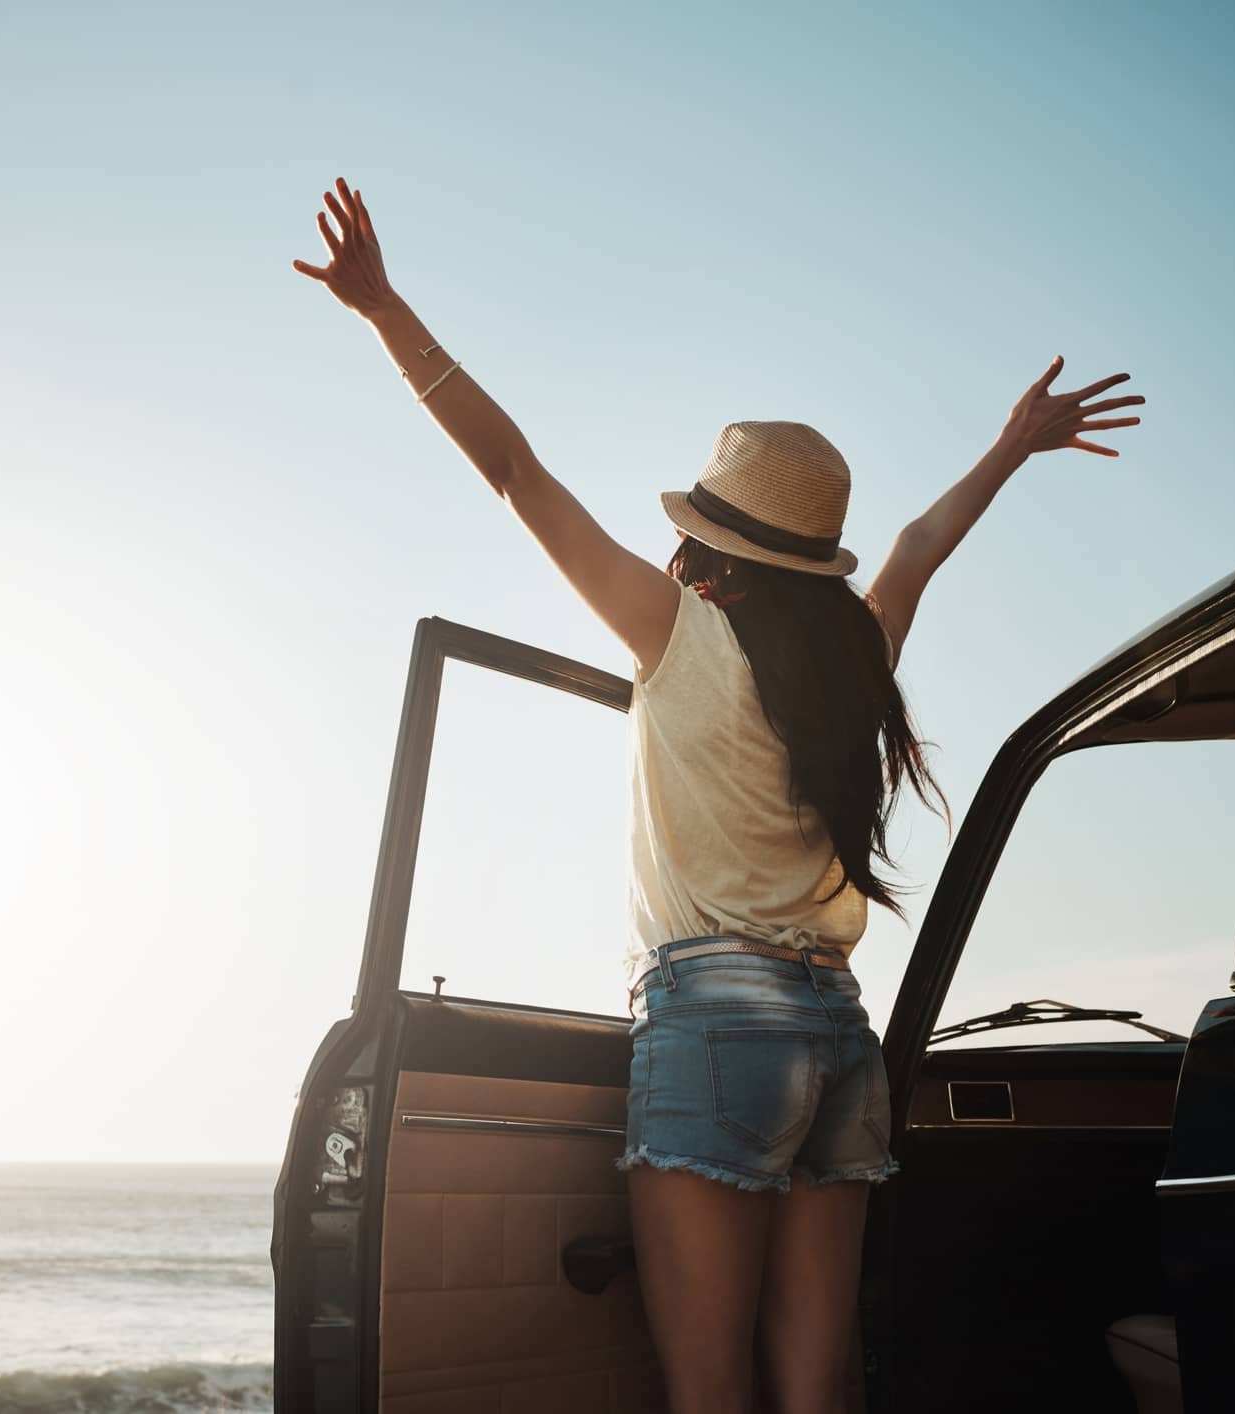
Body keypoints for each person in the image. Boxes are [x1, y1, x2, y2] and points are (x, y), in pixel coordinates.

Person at [292, 176, 1143, 1414]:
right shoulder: (860, 650)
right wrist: (1012, 448)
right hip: (841, 1035)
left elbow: (516, 472)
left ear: (710, 544)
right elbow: (915, 544)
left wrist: (383, 310)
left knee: (709, 1398)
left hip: (712, 1021)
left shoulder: (675, 632)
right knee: (818, 1390)